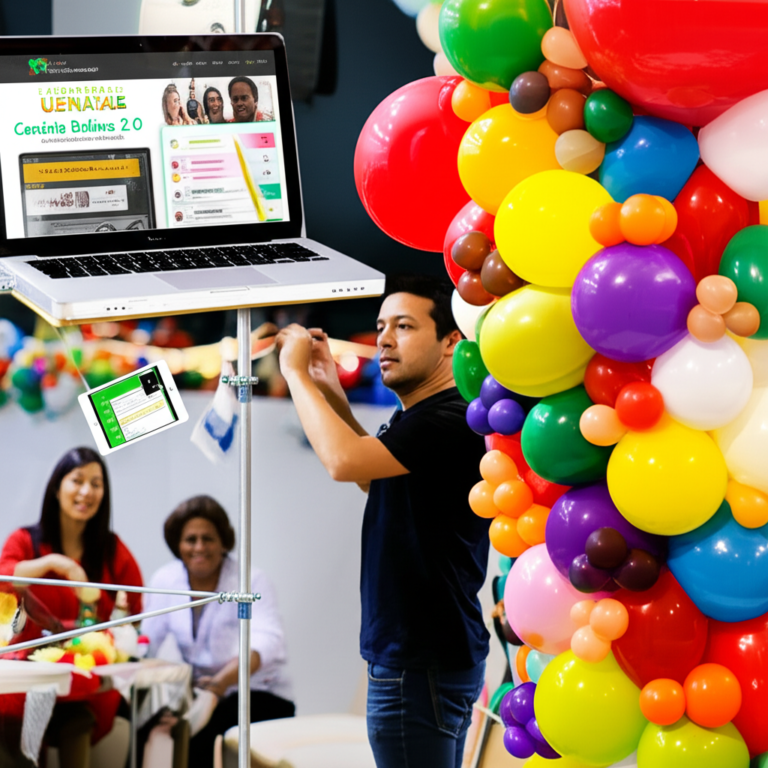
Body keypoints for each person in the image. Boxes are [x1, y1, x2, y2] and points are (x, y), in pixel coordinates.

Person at [276, 274, 490, 768]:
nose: (384, 339)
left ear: (450, 342)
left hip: (417, 662)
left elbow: (342, 462)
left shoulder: (448, 419)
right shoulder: (421, 417)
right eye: (380, 326)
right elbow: (377, 479)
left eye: (405, 326)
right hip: (432, 657)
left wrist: (296, 376)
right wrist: (330, 391)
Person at [0, 446, 143, 768]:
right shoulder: (25, 540)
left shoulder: (111, 549)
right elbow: (4, 577)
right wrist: (55, 564)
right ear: (56, 487)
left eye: (96, 483)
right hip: (25, 679)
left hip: (86, 682)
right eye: (77, 480)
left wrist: (97, 604)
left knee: (79, 720)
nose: (86, 491)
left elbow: (134, 616)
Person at [143, 495, 294, 768]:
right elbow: (147, 642)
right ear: (177, 544)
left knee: (199, 737)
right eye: (190, 539)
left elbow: (267, 643)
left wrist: (220, 684)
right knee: (144, 727)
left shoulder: (251, 579)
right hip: (203, 694)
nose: (199, 547)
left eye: (208, 538)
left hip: (259, 693)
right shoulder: (166, 580)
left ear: (223, 542)